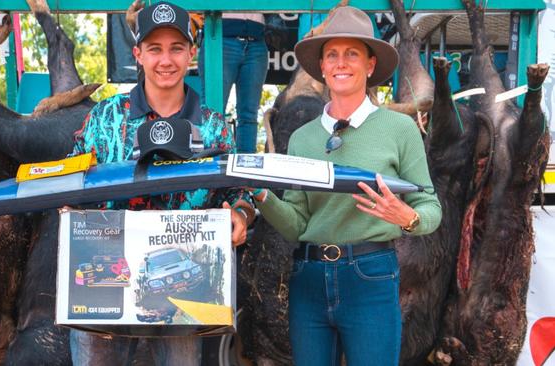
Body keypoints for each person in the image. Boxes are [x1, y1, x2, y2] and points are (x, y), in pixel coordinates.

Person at [250, 6, 442, 366]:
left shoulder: (399, 131)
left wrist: (408, 217)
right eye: (332, 55)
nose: (341, 63)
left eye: (352, 53)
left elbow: (431, 207)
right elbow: (299, 224)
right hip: (307, 279)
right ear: (321, 66)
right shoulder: (303, 138)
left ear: (370, 65)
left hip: (370, 276)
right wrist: (260, 196)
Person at [69, 2, 254, 365]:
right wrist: (69, 211)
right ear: (137, 54)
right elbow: (72, 181)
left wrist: (242, 215)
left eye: (176, 48)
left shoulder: (214, 127)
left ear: (192, 54)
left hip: (181, 311)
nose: (165, 60)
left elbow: (238, 192)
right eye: (154, 49)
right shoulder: (103, 118)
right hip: (104, 291)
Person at [199, 13, 268, 153]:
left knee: (249, 114)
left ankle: (246, 168)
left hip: (257, 40)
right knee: (212, 113)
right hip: (220, 36)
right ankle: (210, 166)